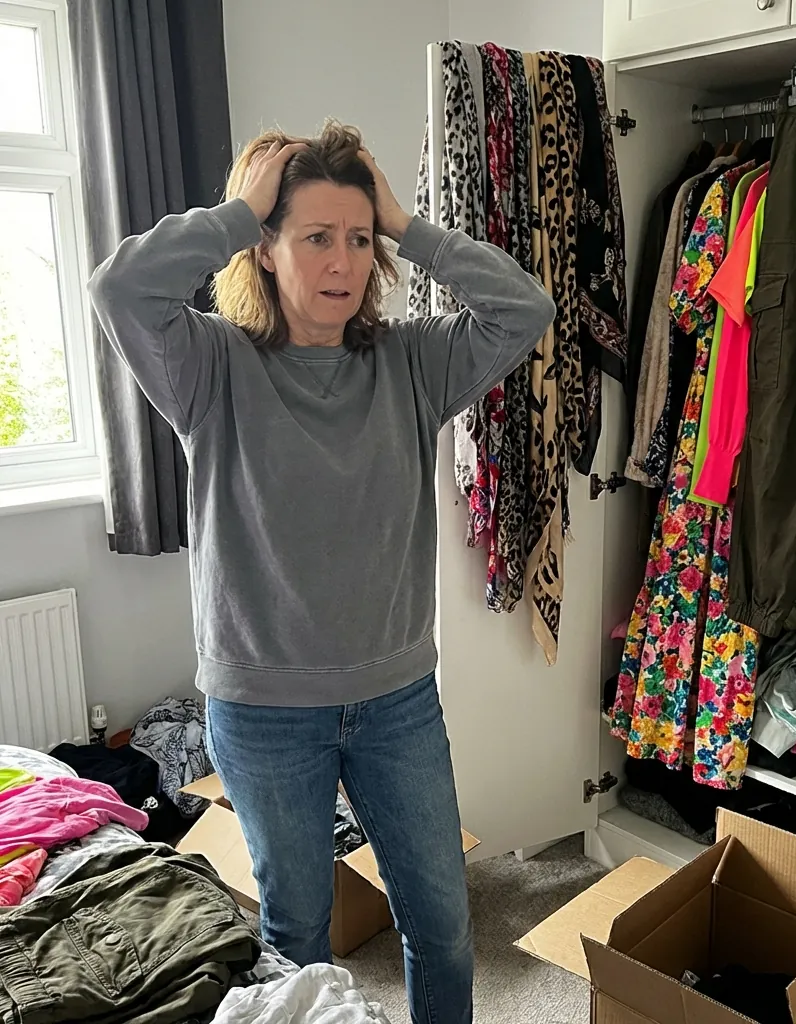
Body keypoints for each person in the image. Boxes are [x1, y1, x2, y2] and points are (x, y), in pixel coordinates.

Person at [88, 119, 555, 1024]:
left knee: (445, 921)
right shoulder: (209, 365)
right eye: (313, 236)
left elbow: (524, 309)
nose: (342, 261)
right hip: (263, 714)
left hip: (397, 703)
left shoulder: (412, 362)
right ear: (265, 249)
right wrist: (236, 212)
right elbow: (119, 287)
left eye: (357, 239)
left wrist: (407, 225)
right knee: (295, 933)